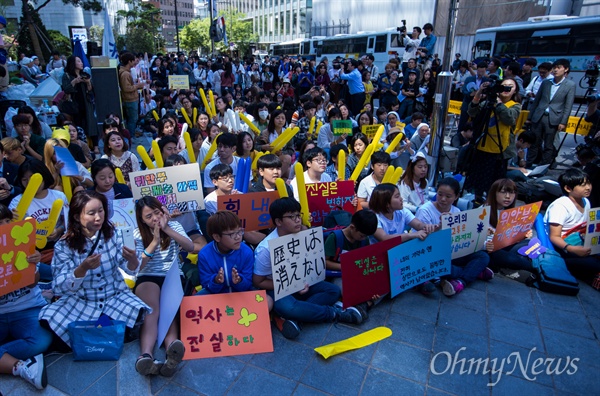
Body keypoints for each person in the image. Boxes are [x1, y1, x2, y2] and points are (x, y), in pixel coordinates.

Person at [38, 191, 148, 347]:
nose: (98, 217)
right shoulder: (64, 245)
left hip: (114, 296)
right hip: (80, 300)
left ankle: (91, 334)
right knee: (48, 318)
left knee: (139, 312)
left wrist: (132, 259)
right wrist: (81, 269)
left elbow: (131, 270)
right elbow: (58, 286)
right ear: (77, 217)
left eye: (101, 211)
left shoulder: (115, 235)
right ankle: (102, 332)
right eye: (91, 213)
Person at [253, 198, 365, 340]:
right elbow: (258, 282)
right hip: (276, 288)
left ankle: (297, 319)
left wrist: (300, 282)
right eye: (291, 217)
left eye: (298, 215)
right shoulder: (266, 249)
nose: (297, 220)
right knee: (289, 308)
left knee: (333, 291)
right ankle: (334, 314)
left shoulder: (304, 235)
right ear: (278, 222)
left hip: (302, 281)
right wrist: (292, 285)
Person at [133, 196, 195, 376]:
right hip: (148, 276)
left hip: (173, 274)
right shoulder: (137, 233)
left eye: (157, 213)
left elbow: (190, 247)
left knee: (171, 309)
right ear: (141, 220)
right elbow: (138, 266)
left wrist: (167, 229)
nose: (154, 218)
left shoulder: (174, 226)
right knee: (152, 310)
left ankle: (172, 351)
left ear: (163, 211)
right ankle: (145, 355)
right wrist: (154, 241)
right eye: (148, 216)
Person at [0, 205, 52, 390]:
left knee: (42, 340)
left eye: (7, 221)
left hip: (27, 308)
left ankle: (8, 360)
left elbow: (31, 283)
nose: (4, 226)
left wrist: (32, 265)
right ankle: (21, 366)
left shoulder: (21, 243)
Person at [415, 177, 492, 296]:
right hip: (433, 255)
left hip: (453, 253)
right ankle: (472, 272)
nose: (443, 199)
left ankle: (461, 281)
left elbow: (466, 238)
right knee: (438, 267)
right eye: (440, 194)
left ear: (456, 197)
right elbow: (422, 240)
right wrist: (440, 226)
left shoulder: (457, 212)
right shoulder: (425, 210)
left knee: (483, 256)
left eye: (448, 196)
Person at [465, 77, 522, 206]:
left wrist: (498, 103)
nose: (506, 89)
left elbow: (509, 118)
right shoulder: (487, 103)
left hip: (500, 150)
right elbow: (472, 111)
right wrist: (479, 93)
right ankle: (477, 199)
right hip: (482, 146)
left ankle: (493, 204)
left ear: (515, 91)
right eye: (504, 86)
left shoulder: (515, 106)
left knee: (495, 180)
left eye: (510, 87)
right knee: (479, 179)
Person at [543, 168, 600, 289]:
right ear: (568, 188)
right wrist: (572, 249)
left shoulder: (586, 201)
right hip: (561, 250)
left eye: (588, 183)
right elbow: (554, 236)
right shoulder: (560, 206)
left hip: (578, 242)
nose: (588, 187)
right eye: (582, 185)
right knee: (593, 264)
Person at [526, 59, 576, 167]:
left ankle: (544, 166)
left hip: (553, 118)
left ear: (566, 69)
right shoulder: (546, 83)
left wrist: (563, 122)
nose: (555, 70)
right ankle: (529, 164)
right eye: (554, 67)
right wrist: (529, 117)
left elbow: (568, 106)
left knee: (549, 145)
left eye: (558, 67)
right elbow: (537, 101)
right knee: (534, 142)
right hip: (539, 116)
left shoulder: (570, 85)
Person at [484, 179, 535, 279]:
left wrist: (523, 235)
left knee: (529, 243)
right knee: (512, 259)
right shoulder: (483, 211)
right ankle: (535, 267)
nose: (508, 196)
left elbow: (511, 237)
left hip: (505, 245)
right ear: (494, 193)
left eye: (512, 193)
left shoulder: (509, 212)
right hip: (489, 250)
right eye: (503, 192)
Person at [197, 211, 254, 294]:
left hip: (240, 294)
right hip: (216, 295)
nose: (238, 237)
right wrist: (216, 281)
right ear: (217, 237)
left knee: (267, 300)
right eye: (231, 234)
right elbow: (206, 284)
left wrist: (239, 281)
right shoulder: (204, 254)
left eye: (239, 231)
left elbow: (249, 283)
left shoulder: (246, 252)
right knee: (196, 298)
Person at [369, 183, 435, 244]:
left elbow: (418, 225)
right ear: (386, 203)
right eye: (397, 196)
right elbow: (384, 238)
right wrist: (411, 235)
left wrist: (427, 227)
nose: (401, 199)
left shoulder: (402, 211)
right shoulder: (374, 217)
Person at [62, 56, 97, 150]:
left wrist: (88, 82)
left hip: (86, 103)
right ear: (73, 63)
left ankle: (95, 146)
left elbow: (91, 91)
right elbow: (66, 89)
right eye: (79, 61)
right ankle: (81, 145)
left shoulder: (85, 74)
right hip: (74, 104)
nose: (81, 63)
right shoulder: (67, 75)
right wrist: (74, 82)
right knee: (78, 124)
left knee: (91, 123)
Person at [119, 52, 146, 139]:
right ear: (129, 61)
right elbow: (126, 88)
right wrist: (138, 86)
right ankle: (131, 136)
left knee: (132, 119)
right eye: (133, 60)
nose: (135, 62)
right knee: (132, 119)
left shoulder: (126, 72)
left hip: (131, 98)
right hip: (130, 99)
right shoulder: (125, 74)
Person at [0, 141, 21, 207]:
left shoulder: (15, 168)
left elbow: (24, 189)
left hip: (14, 207)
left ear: (3, 153)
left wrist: (10, 188)